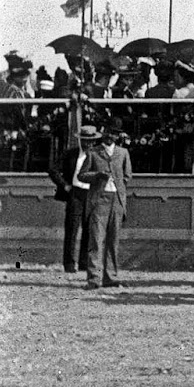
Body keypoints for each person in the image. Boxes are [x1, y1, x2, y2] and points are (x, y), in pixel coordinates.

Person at [77, 122, 131, 290]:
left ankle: (110, 277)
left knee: (113, 240)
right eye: (107, 132)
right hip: (99, 200)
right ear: (103, 133)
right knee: (96, 240)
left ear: (118, 136)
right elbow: (81, 175)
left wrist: (118, 187)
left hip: (117, 200)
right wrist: (97, 176)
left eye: (114, 133)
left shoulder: (123, 153)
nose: (110, 136)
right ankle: (94, 278)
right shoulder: (93, 152)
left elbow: (127, 175)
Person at [52, 128, 92, 273]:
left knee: (88, 229)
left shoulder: (97, 155)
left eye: (90, 141)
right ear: (80, 140)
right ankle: (69, 264)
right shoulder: (70, 154)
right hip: (75, 194)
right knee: (71, 229)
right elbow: (53, 170)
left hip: (90, 194)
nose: (87, 144)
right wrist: (65, 185)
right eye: (85, 140)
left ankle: (84, 263)